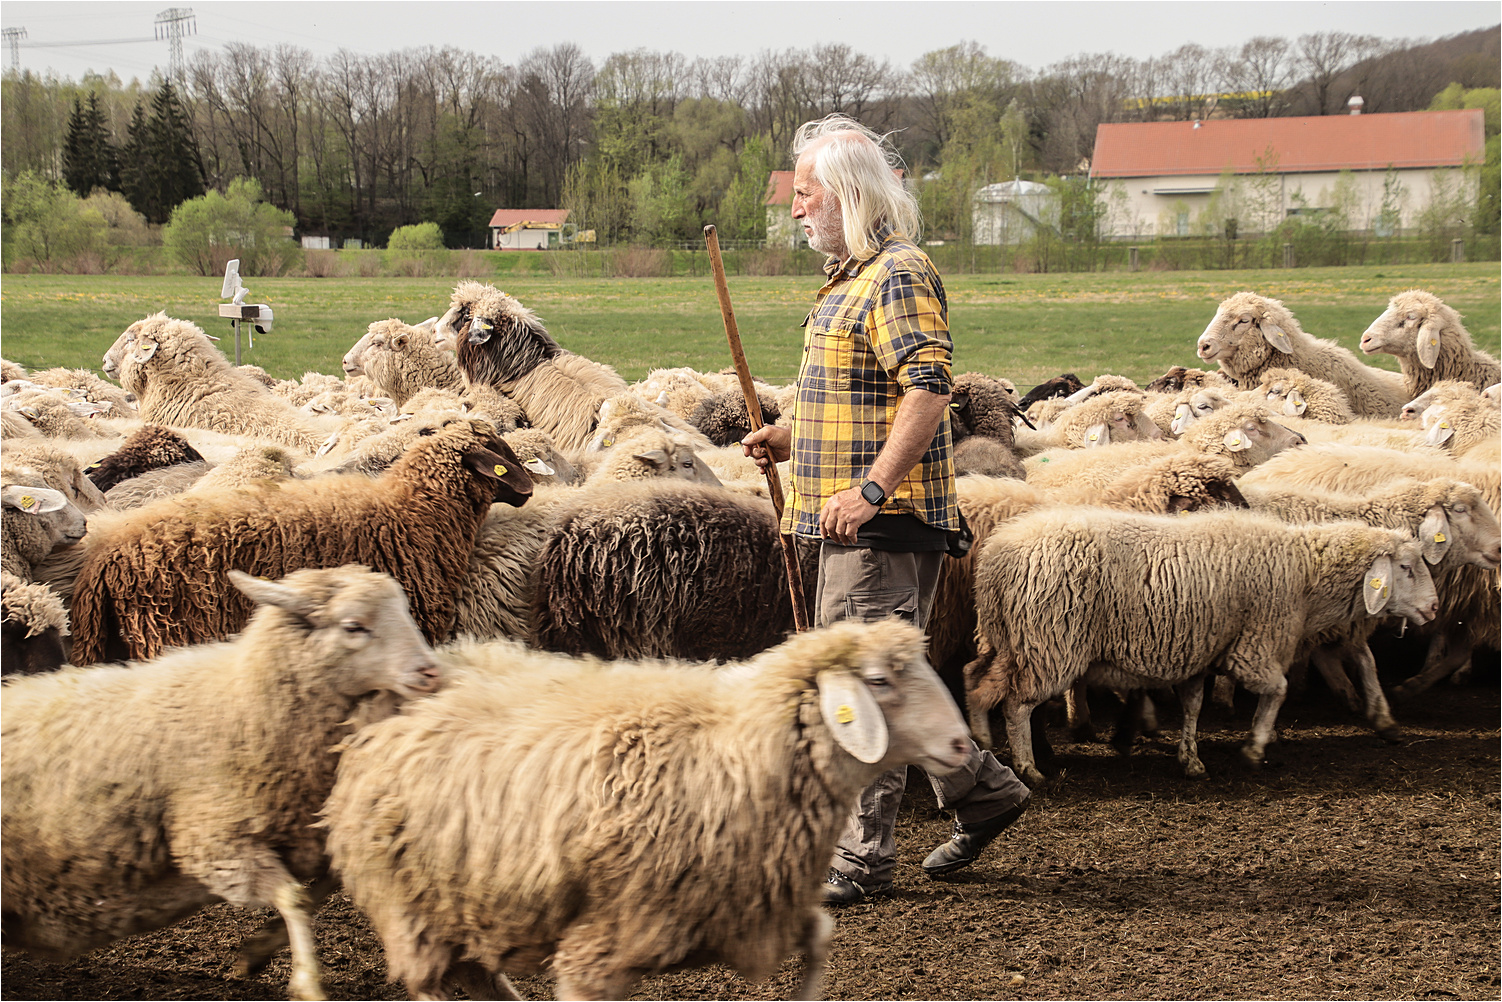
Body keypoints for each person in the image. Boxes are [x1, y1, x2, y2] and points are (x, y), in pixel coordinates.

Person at [742, 114, 1031, 906]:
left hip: (882, 523)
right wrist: (789, 436)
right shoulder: (848, 278)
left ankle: (860, 859)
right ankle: (984, 793)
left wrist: (871, 491)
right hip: (841, 516)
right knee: (884, 682)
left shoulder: (899, 273)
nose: (797, 209)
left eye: (805, 194)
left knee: (859, 684)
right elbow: (856, 399)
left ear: (845, 191)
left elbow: (928, 388)